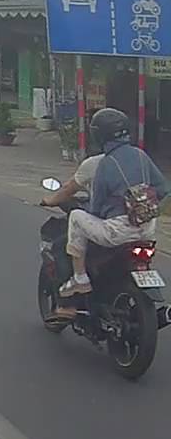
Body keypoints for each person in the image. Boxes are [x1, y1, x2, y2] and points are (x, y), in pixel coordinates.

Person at [56, 108, 170, 297]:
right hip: (147, 229)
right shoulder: (141, 155)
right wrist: (142, 203)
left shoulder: (105, 164)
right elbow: (163, 189)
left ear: (99, 135)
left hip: (117, 234)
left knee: (76, 217)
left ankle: (80, 278)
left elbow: (96, 208)